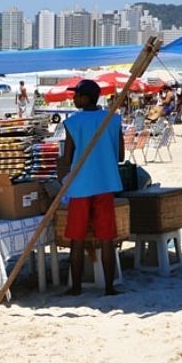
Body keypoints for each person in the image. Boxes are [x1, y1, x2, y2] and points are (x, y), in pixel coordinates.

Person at [59, 80, 124, 296]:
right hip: (105, 182)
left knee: (76, 238)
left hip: (80, 185)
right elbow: (121, 155)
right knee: (107, 238)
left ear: (85, 98)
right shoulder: (112, 120)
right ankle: (109, 287)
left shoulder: (74, 122)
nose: (73, 99)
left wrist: (60, 172)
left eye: (76, 95)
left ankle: (76, 287)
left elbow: (67, 157)